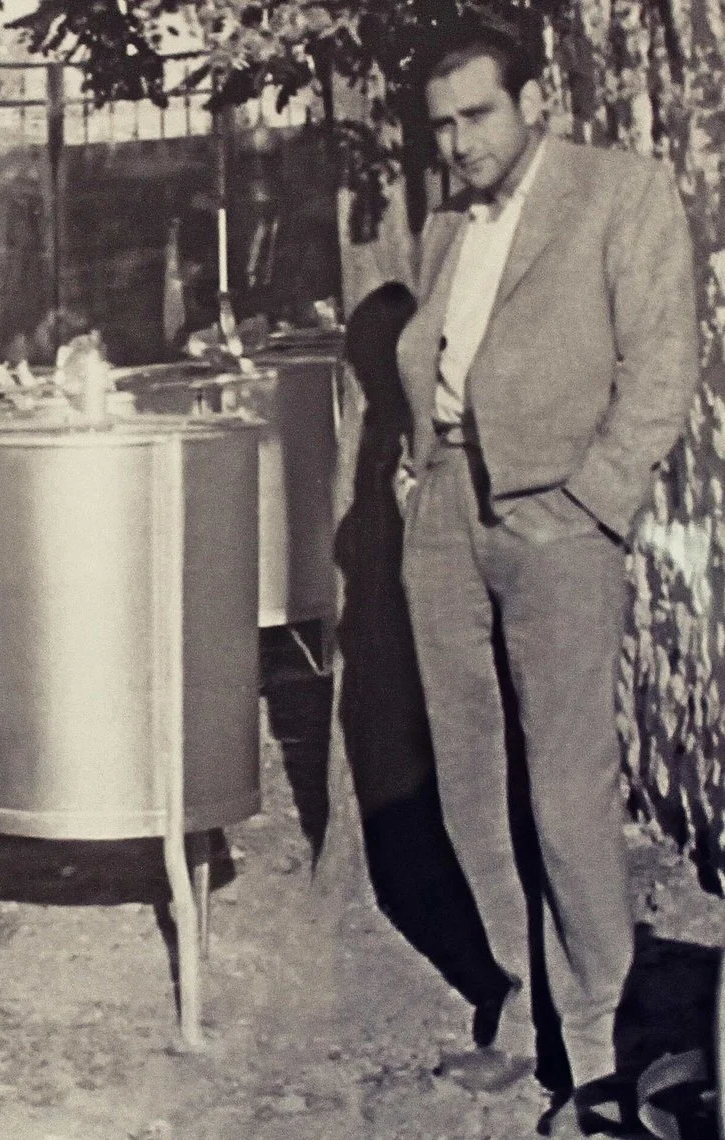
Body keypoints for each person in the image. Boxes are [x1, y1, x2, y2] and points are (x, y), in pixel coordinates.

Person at [394, 20, 700, 1136]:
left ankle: (605, 1062)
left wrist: (590, 502)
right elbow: (439, 359)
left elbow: (662, 364)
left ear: (536, 102)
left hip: (557, 522)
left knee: (567, 794)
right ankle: (526, 1019)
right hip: (445, 512)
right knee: (472, 783)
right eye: (442, 125)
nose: (459, 142)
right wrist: (414, 476)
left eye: (478, 114)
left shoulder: (621, 193)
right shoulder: (444, 223)